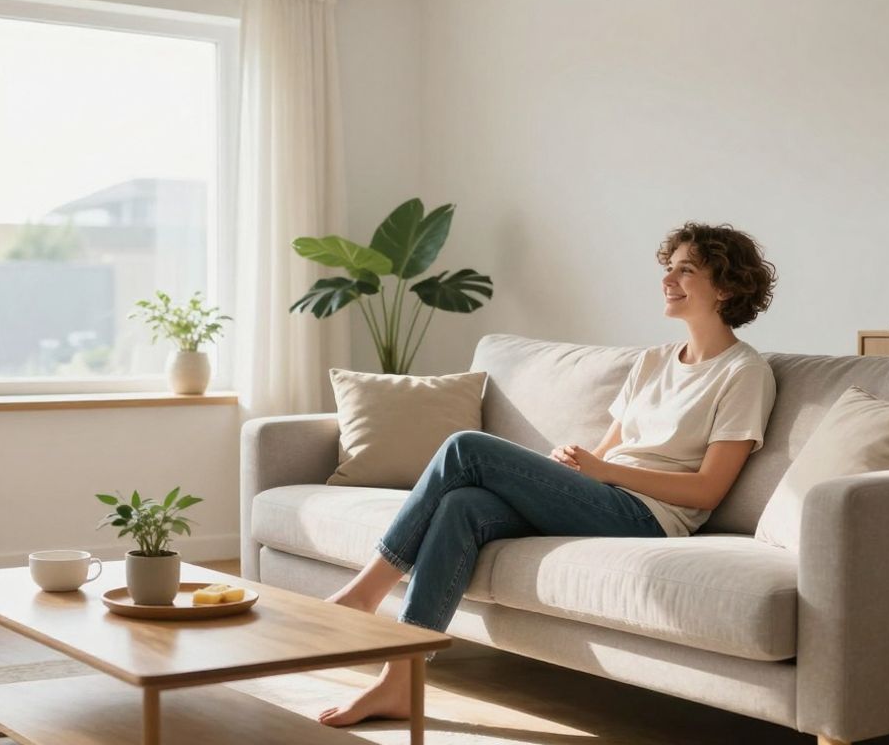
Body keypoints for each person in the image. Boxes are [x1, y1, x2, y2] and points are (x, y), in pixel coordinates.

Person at [318, 222, 778, 727]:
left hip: (650, 515)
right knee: (461, 506)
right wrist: (578, 462)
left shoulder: (744, 372)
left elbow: (709, 490)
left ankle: (365, 593)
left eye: (686, 270)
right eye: (668, 269)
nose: (668, 279)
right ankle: (401, 680)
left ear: (728, 286)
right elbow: (608, 449)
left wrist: (604, 470)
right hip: (604, 492)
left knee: (464, 448)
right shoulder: (654, 361)